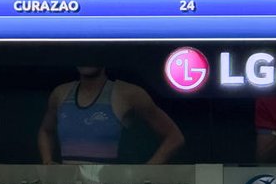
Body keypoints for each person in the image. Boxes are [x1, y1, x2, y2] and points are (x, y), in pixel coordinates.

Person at [38, 66, 185, 164]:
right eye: (81, 50)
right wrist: (47, 162)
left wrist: (146, 171)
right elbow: (46, 130)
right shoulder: (60, 94)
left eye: (92, 51)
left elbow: (174, 137)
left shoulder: (127, 93)